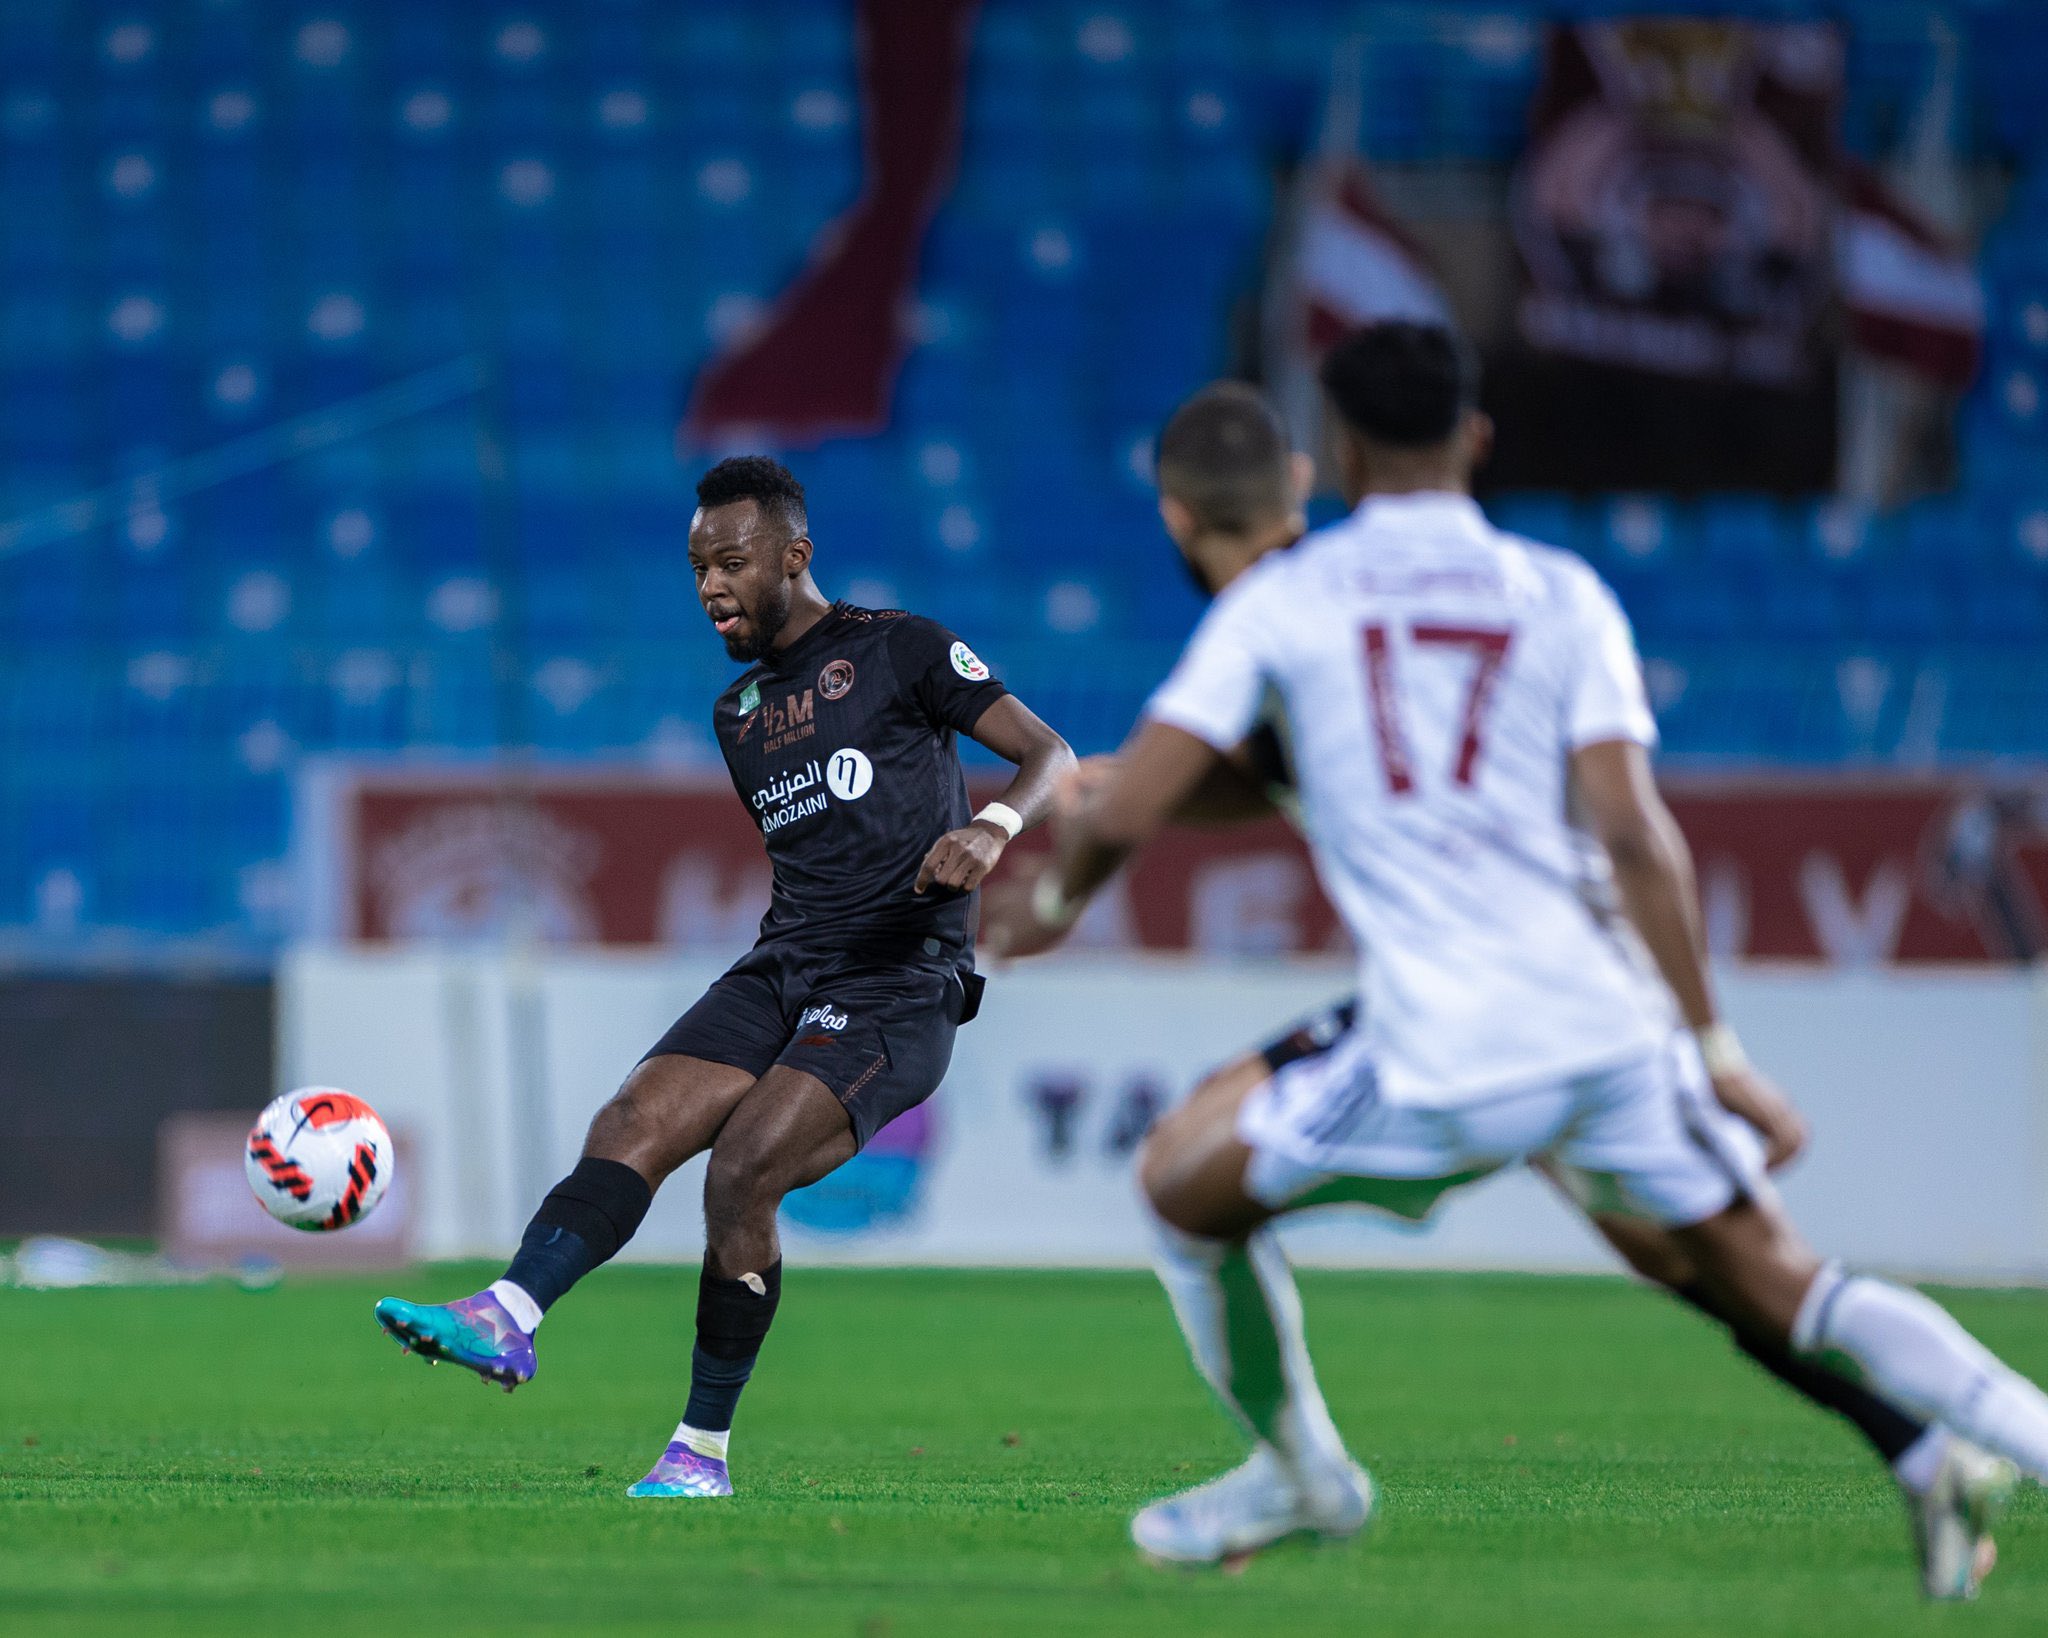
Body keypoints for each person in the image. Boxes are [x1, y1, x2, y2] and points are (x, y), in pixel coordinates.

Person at [984, 324, 2041, 1597]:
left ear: (1340, 453)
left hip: (1442, 1048)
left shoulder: (1287, 601)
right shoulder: (1561, 592)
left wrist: (1041, 900)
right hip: (1602, 1027)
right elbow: (1637, 839)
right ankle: (1956, 1447)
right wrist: (1715, 1052)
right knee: (1770, 1279)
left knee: (1177, 1185)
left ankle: (1301, 1472)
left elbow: (1128, 811)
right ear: (1476, 438)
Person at [377, 455, 1075, 1498]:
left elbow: (1050, 754)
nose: (710, 585)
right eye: (698, 566)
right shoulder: (739, 713)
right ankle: (506, 1316)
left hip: (896, 980)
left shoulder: (902, 650)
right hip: (785, 963)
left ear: (794, 557)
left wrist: (989, 825)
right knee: (631, 1120)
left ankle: (699, 1452)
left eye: (731, 563)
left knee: (742, 1168)